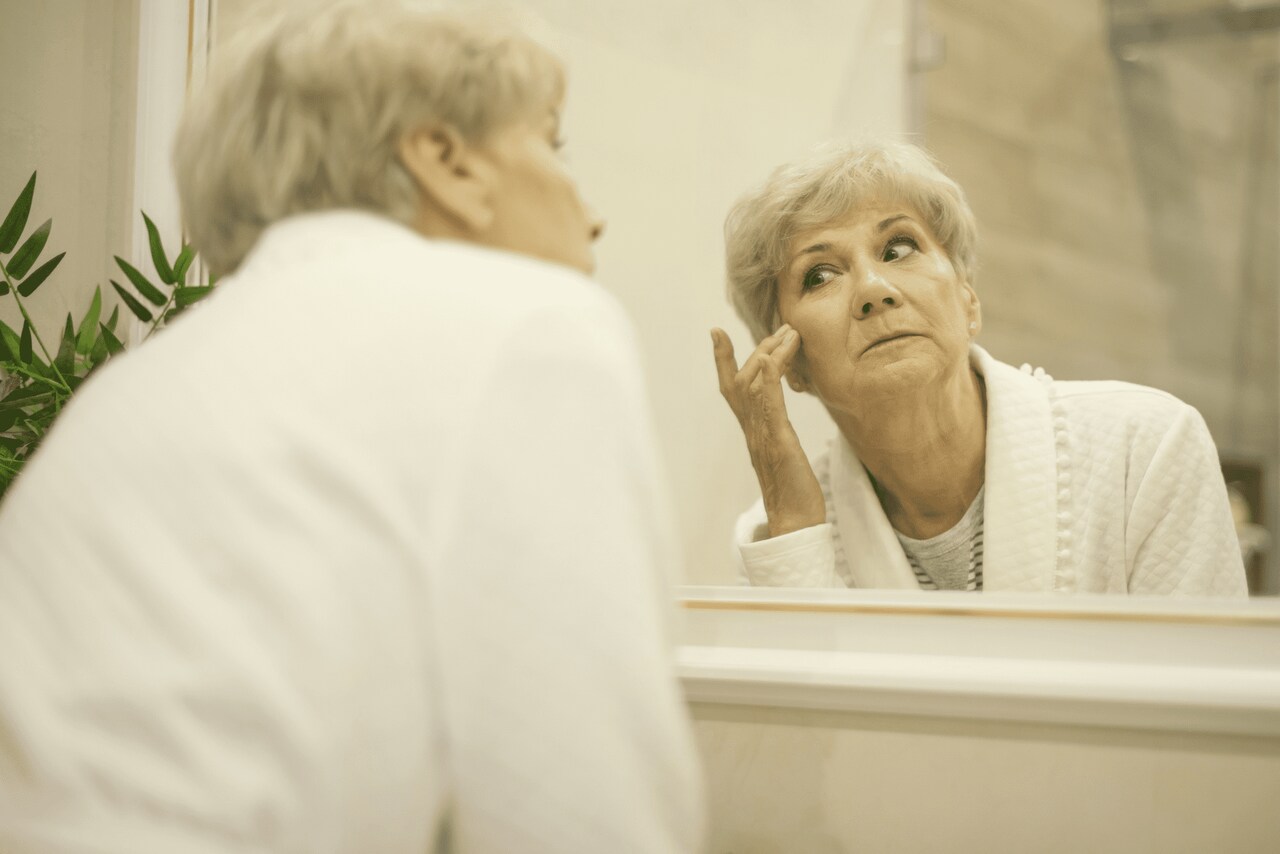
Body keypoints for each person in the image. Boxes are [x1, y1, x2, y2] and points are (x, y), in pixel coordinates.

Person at [0, 2, 703, 851]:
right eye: (551, 144)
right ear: (449, 162)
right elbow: (581, 815)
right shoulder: (529, 325)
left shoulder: (128, 392)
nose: (590, 213)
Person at [711, 138, 1246, 596]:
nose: (874, 290)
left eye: (898, 247)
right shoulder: (775, 535)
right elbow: (804, 719)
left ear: (968, 299)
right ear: (788, 361)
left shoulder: (1146, 449)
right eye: (820, 275)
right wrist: (795, 528)